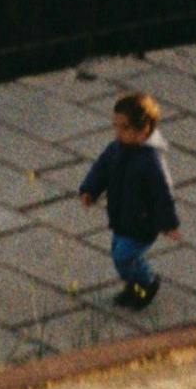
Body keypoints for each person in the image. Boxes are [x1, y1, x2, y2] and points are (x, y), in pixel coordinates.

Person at [79, 88, 181, 308]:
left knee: (124, 256)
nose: (117, 132)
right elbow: (101, 170)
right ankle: (133, 286)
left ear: (143, 130)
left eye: (124, 128)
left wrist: (168, 223)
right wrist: (90, 190)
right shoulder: (116, 149)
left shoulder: (151, 161)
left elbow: (163, 194)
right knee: (119, 254)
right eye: (115, 126)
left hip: (141, 222)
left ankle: (147, 282)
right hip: (121, 216)